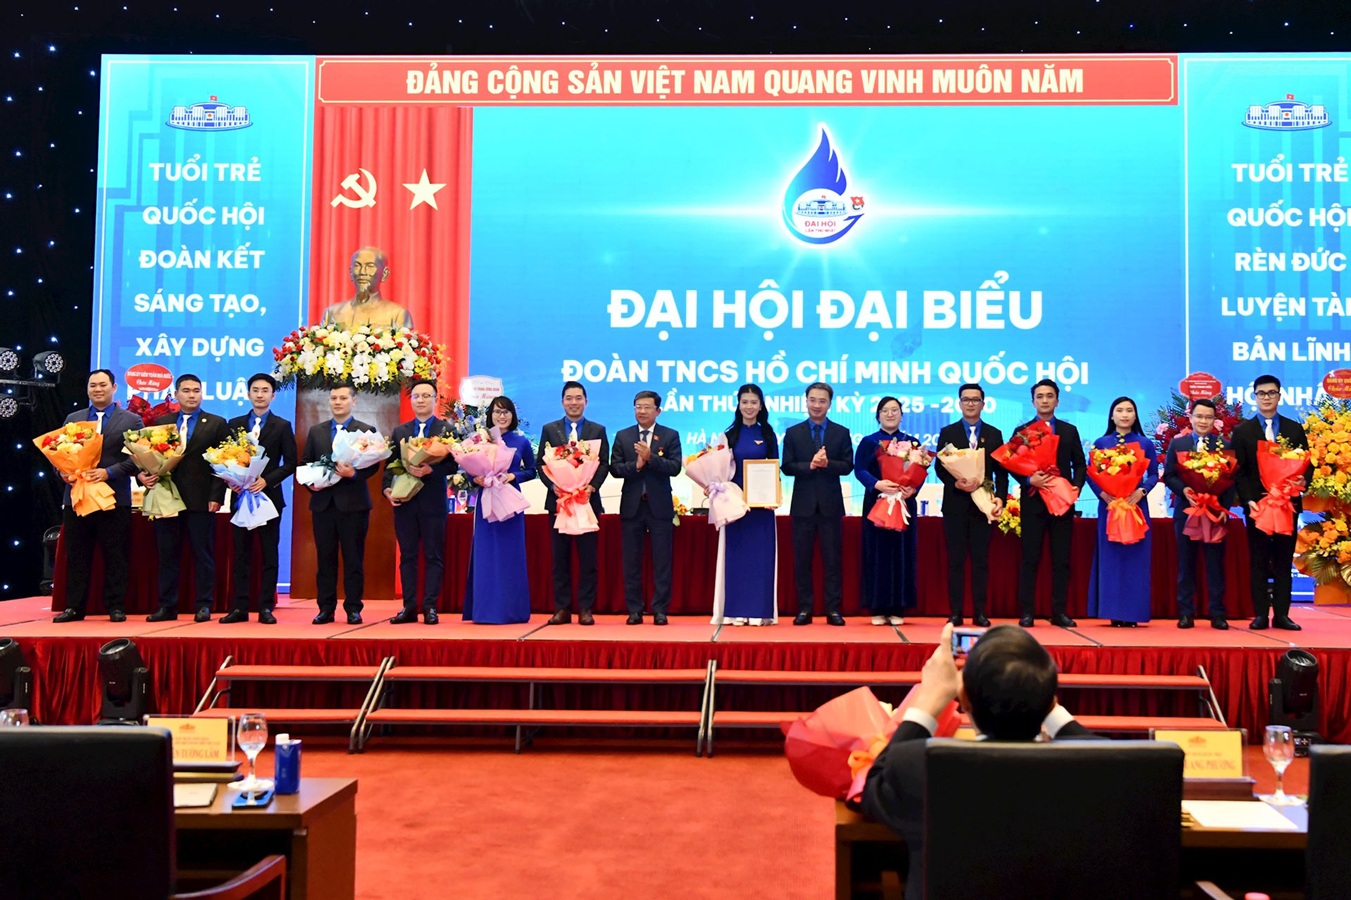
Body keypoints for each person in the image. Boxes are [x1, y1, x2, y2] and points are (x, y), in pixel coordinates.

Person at [861, 623, 1099, 900]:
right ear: (1051, 703)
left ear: (964, 699)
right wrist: (1043, 699)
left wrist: (928, 699)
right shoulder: (1091, 775)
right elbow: (1106, 752)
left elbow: (874, 786)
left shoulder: (918, 768)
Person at [51, 369, 143, 622]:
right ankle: (74, 607)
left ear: (114, 388)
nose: (98, 389)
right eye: (93, 385)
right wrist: (63, 473)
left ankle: (115, 606)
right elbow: (57, 453)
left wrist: (108, 472)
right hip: (77, 498)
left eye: (103, 385)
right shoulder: (73, 418)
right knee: (77, 554)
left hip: (113, 498)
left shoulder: (131, 420)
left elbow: (138, 459)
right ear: (88, 389)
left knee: (116, 555)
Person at [144, 374, 228, 622]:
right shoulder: (162, 423)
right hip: (167, 498)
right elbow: (149, 458)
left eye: (196, 391)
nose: (192, 395)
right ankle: (167, 606)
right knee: (167, 555)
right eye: (186, 391)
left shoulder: (216, 423)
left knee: (203, 554)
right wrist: (144, 475)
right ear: (176, 394)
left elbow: (223, 463)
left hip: (201, 499)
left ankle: (204, 604)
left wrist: (217, 496)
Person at [1232, 374, 1310, 631]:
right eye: (1261, 393)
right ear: (1254, 396)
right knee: (1258, 561)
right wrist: (1248, 500)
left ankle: (1282, 615)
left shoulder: (1294, 429)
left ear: (1279, 395)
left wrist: (1300, 483)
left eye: (1271, 393)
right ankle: (1260, 615)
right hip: (1258, 507)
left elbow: (1306, 464)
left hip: (1287, 506)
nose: (1266, 397)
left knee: (1283, 561)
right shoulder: (1243, 431)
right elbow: (1239, 471)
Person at [301, 383, 381, 625]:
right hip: (323, 505)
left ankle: (353, 608)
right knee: (325, 560)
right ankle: (325, 608)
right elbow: (305, 462)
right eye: (334, 398)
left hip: (354, 506)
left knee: (353, 559)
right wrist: (311, 485)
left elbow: (374, 465)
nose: (337, 402)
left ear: (353, 401)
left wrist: (354, 474)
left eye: (343, 398)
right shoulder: (316, 431)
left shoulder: (366, 431)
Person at [220, 373, 296, 624]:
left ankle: (265, 607)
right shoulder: (234, 424)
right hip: (240, 497)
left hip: (269, 499)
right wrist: (232, 480)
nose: (260, 395)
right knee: (240, 554)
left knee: (268, 554)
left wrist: (267, 480)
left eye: (265, 391)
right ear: (248, 394)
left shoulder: (282, 425)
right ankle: (239, 607)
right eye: (255, 390)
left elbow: (291, 462)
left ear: (273, 396)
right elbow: (225, 459)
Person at [1014, 379, 1087, 628]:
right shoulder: (1022, 431)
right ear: (1033, 401)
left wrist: (1076, 486)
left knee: (1061, 560)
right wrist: (1028, 479)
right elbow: (1010, 464)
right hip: (1033, 502)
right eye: (1040, 396)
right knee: (1029, 559)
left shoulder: (1069, 431)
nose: (1044, 400)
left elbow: (1080, 464)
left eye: (1049, 396)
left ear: (1057, 401)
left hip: (1061, 503)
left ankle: (1059, 612)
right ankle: (1027, 612)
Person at [384, 379, 455, 625]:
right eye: (416, 396)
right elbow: (389, 465)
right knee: (408, 556)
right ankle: (409, 607)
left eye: (426, 396)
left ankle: (430, 607)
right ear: (411, 400)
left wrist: (431, 470)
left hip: (433, 502)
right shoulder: (400, 431)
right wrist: (387, 489)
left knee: (434, 555)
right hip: (405, 502)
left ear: (435, 399)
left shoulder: (446, 431)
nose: (421, 400)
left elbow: (454, 465)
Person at [935, 383, 1007, 626]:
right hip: (955, 506)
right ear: (959, 403)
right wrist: (955, 483)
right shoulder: (948, 432)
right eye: (966, 399)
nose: (970, 404)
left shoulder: (994, 434)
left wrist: (1001, 497)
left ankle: (979, 612)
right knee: (955, 561)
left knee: (980, 562)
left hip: (983, 506)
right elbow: (940, 467)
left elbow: (1002, 472)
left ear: (983, 404)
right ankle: (956, 612)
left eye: (975, 400)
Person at [782, 382, 853, 626]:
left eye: (822, 401)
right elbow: (787, 466)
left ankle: (833, 609)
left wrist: (827, 464)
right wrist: (810, 466)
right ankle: (805, 609)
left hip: (830, 506)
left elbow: (848, 466)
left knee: (832, 561)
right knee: (802, 561)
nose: (816, 405)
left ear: (830, 404)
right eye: (812, 400)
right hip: (802, 506)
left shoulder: (841, 432)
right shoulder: (794, 432)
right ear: (806, 401)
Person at [538, 381, 609, 626]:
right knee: (560, 559)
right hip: (560, 504)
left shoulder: (598, 430)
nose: (574, 402)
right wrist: (554, 486)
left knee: (588, 560)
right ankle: (562, 608)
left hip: (586, 503)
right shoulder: (550, 429)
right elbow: (541, 464)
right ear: (562, 402)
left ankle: (586, 609)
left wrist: (591, 487)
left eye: (578, 398)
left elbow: (604, 463)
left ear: (586, 402)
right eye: (569, 398)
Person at [610, 390, 682, 625]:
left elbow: (674, 467)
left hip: (659, 507)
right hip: (632, 508)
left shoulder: (670, 435)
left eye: (647, 407)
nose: (641, 411)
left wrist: (651, 458)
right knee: (631, 562)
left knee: (662, 561)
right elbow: (615, 468)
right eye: (638, 406)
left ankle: (660, 610)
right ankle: (635, 610)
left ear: (658, 411)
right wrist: (637, 465)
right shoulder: (623, 436)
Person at [1086, 396, 1159, 627]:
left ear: (1135, 415)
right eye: (1120, 410)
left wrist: (1142, 491)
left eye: (1129, 410)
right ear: (1112, 415)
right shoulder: (1101, 442)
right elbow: (1090, 474)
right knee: (1112, 560)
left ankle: (1133, 613)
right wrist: (1102, 494)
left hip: (1135, 506)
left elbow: (1154, 474)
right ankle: (1113, 612)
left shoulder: (1145, 444)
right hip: (1110, 507)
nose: (1124, 415)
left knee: (1135, 560)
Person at [1162, 399, 1235, 630]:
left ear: (1215, 420)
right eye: (1199, 416)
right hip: (1187, 511)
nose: (1203, 421)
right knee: (1186, 564)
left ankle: (1217, 614)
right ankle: (1186, 613)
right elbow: (1169, 475)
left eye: (1208, 417)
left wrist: (1224, 508)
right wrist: (1184, 490)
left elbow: (1230, 479)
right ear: (1191, 418)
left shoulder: (1224, 445)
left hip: (1214, 513)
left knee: (1215, 565)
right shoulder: (1178, 444)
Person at [463, 395, 536, 625]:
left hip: (510, 503)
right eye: (497, 411)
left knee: (510, 556)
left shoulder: (521, 442)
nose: (501, 416)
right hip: (486, 502)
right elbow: (467, 470)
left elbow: (532, 470)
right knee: (486, 556)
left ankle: (512, 611)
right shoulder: (480, 440)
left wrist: (514, 475)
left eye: (506, 412)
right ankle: (485, 611)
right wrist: (476, 478)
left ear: (512, 416)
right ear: (490, 415)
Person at [712, 384, 779, 626]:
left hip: (762, 507)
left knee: (761, 559)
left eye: (754, 402)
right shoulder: (729, 435)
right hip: (735, 505)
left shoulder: (768, 434)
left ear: (761, 406)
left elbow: (775, 468)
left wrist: (774, 496)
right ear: (738, 405)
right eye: (745, 402)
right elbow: (719, 470)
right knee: (736, 558)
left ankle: (759, 613)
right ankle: (735, 612)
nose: (749, 407)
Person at [853, 396, 921, 626]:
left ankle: (898, 607)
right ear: (878, 415)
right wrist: (877, 484)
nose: (890, 414)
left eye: (894, 410)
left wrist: (913, 488)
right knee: (877, 552)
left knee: (902, 553)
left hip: (904, 503)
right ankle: (878, 606)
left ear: (901, 415)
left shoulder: (912, 443)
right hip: (877, 503)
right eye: (885, 410)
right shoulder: (869, 442)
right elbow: (859, 469)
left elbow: (920, 471)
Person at [318, 246, 414, 330]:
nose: (362, 272)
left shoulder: (398, 314)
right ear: (351, 272)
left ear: (384, 274)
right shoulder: (332, 312)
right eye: (357, 266)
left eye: (370, 266)